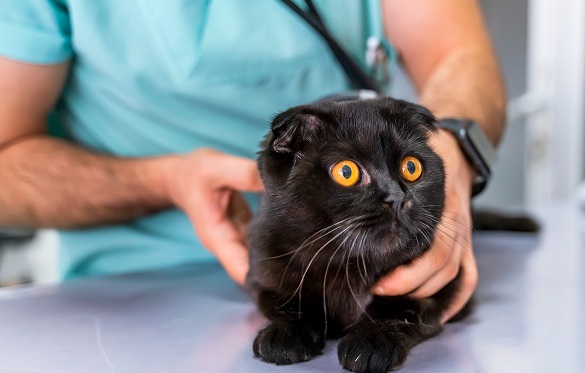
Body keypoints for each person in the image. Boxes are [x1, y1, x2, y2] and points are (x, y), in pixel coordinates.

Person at [0, 0, 506, 322]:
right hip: (134, 301)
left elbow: (458, 55)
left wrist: (452, 152)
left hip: (377, 268)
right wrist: (162, 182)